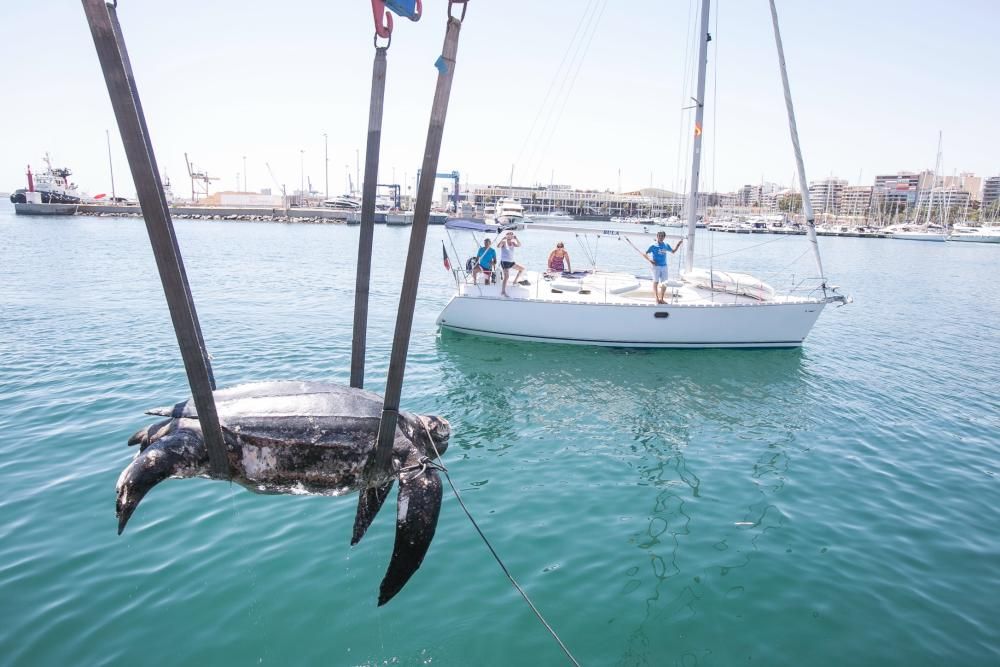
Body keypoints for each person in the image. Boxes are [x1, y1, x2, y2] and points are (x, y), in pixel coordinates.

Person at [644, 231, 683, 304]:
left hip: (664, 266)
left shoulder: (666, 245)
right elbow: (645, 253)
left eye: (662, 236)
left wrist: (678, 245)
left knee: (664, 283)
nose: (661, 237)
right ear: (657, 236)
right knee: (656, 282)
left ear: (664, 237)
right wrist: (650, 260)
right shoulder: (653, 246)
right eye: (659, 236)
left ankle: (661, 299)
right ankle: (656, 298)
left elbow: (673, 251)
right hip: (656, 267)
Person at [496, 231, 524, 297]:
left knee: (521, 269)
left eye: (511, 235)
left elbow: (519, 245)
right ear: (506, 236)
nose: (510, 236)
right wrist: (502, 239)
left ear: (512, 236)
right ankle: (503, 291)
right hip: (504, 262)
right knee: (506, 276)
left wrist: (516, 238)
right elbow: (498, 246)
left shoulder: (513, 243)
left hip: (511, 262)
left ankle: (514, 281)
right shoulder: (504, 242)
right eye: (508, 235)